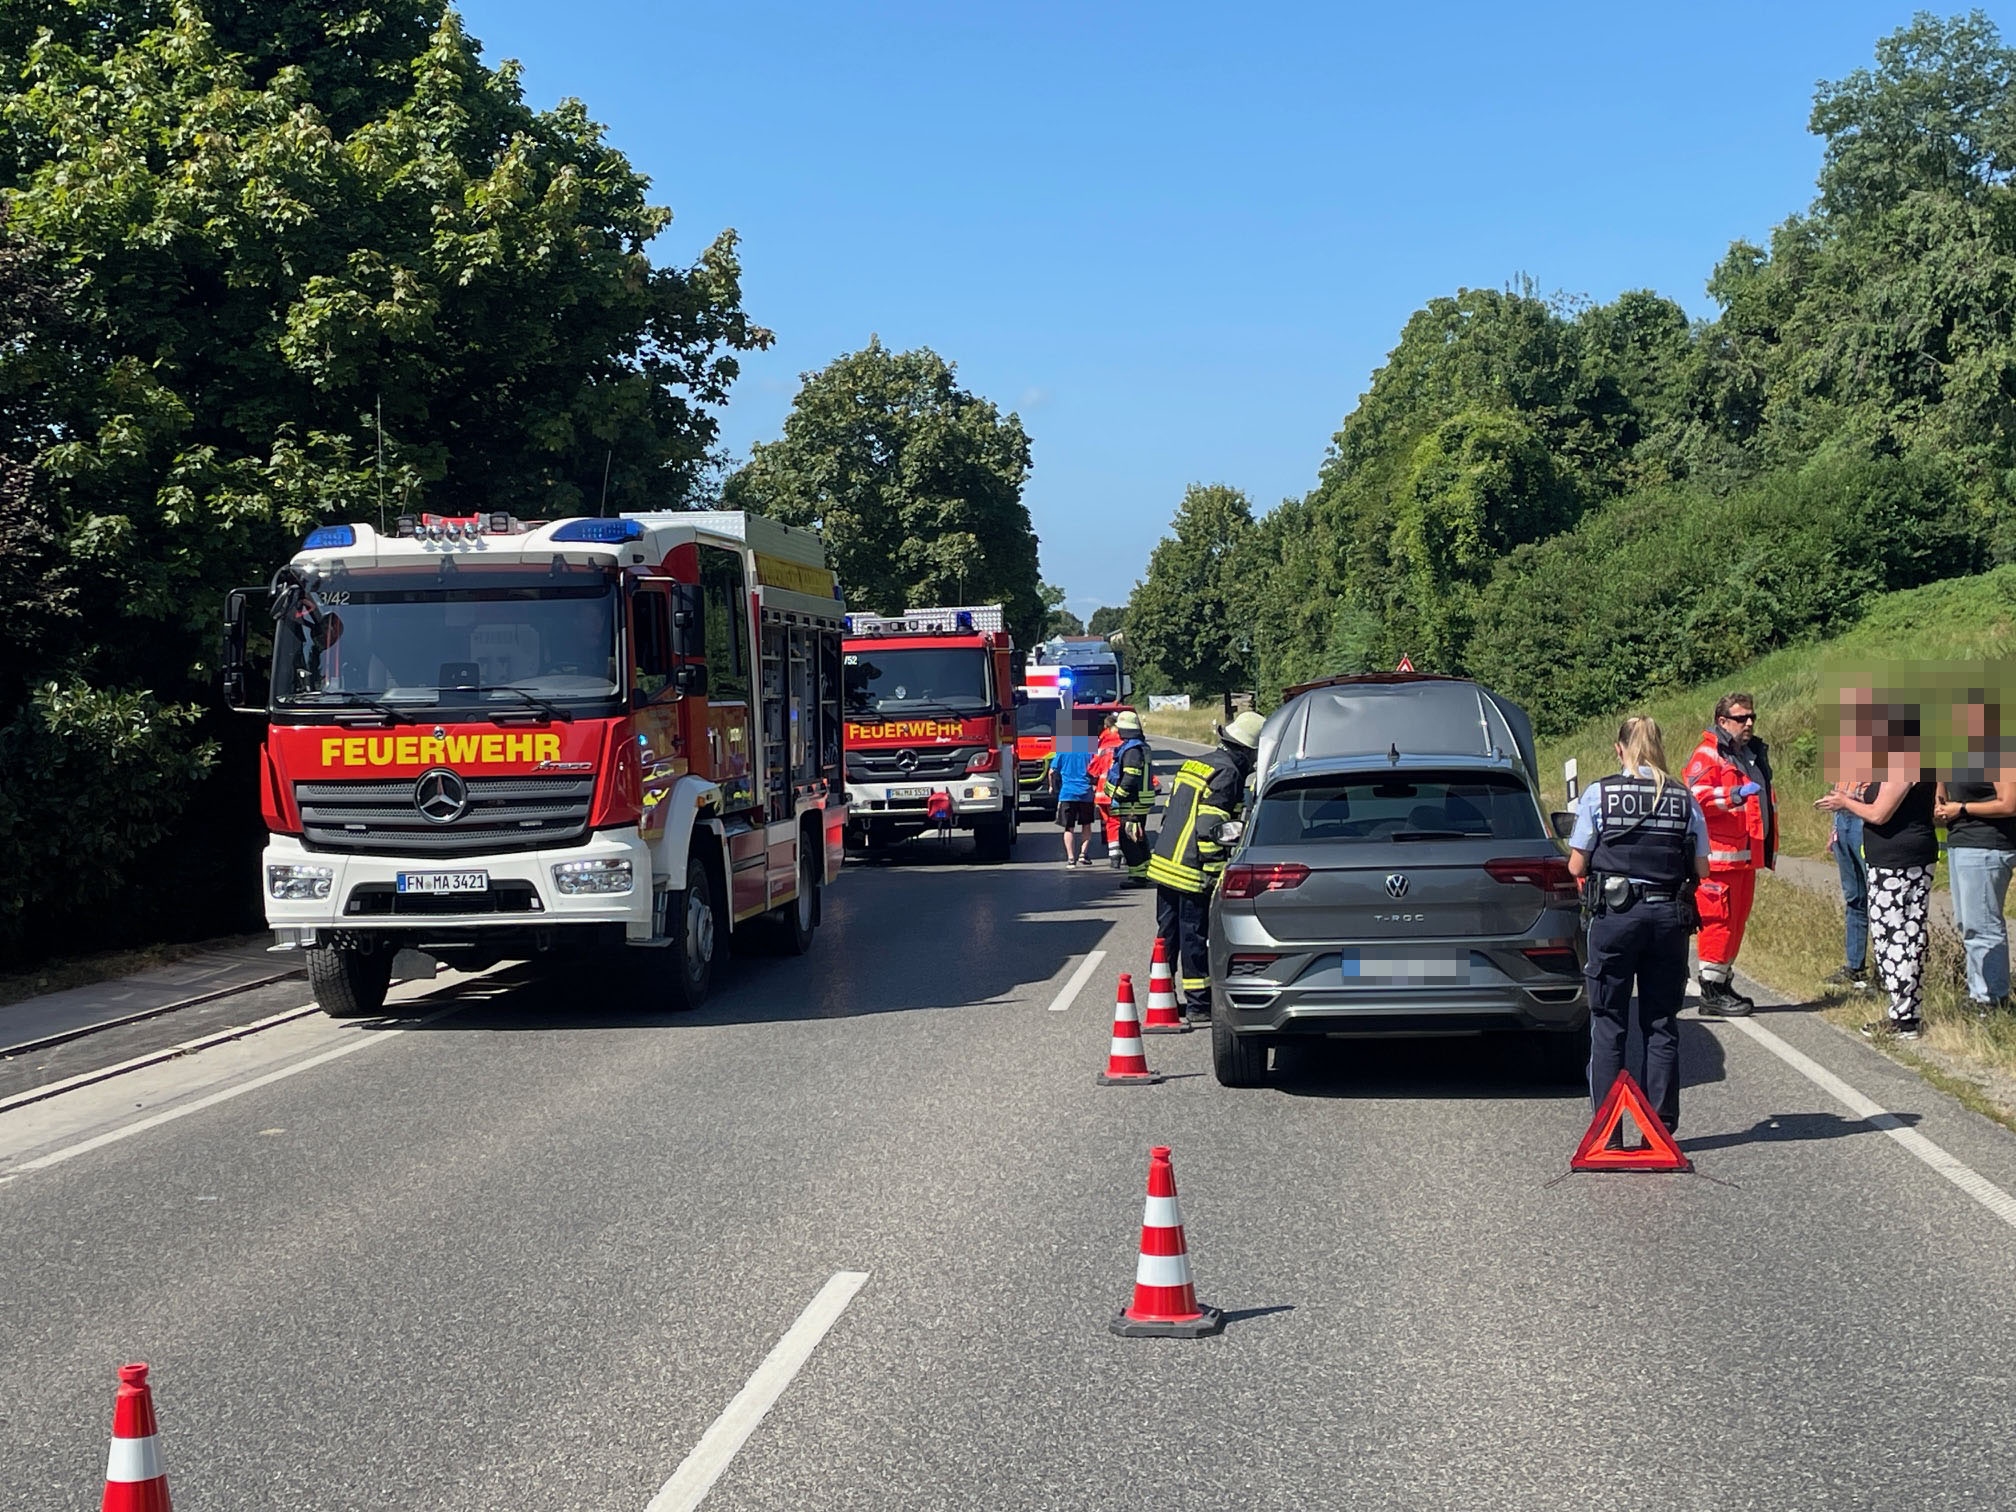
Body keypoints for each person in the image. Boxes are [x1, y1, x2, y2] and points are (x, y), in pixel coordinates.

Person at [1566, 715, 1710, 1135]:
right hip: (1667, 918)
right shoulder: (1684, 799)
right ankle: (1660, 1127)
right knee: (1661, 1022)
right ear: (1660, 747)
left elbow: (1577, 862)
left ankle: (1607, 1132)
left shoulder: (1600, 794)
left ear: (1619, 749)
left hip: (1615, 917)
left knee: (1608, 1021)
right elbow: (1701, 866)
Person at [1818, 704, 1936, 1040]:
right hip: (1893, 857)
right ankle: (1901, 1012)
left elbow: (1880, 813)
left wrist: (1844, 802)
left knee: (1899, 936)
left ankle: (1904, 1016)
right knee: (1892, 935)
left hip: (1902, 860)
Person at [1146, 711, 1265, 1019]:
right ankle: (1199, 1004)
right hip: (1190, 868)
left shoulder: (1198, 763)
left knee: (1167, 933)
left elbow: (1173, 810)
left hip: (1165, 860)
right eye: (1254, 756)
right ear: (1246, 750)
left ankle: (1161, 995)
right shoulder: (1229, 773)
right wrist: (1215, 872)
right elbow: (1210, 826)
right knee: (1194, 934)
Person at [1683, 692, 1778, 1017]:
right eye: (1741, 718)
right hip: (1719, 860)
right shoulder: (1708, 754)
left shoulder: (1747, 753)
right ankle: (1710, 990)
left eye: (1752, 717)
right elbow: (1696, 796)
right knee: (1718, 923)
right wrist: (1734, 795)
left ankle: (1722, 982)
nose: (1749, 723)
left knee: (1736, 923)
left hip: (1745, 857)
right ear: (1722, 721)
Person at [1936, 697, 2016, 1017]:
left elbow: (2009, 803)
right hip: (1960, 841)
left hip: (1988, 845)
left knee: (1982, 924)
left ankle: (1992, 999)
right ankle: (1978, 992)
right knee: (1967, 922)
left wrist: (1963, 808)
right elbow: (1942, 796)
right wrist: (1940, 806)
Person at [1822, 777, 1872, 992]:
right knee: (1854, 898)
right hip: (1843, 819)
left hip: (1865, 819)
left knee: (1881, 900)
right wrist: (1834, 829)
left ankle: (1891, 971)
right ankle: (1855, 967)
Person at [1100, 710, 1155, 885]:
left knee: (1129, 839)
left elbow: (1131, 776)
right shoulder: (1137, 746)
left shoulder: (1132, 750)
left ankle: (1138, 876)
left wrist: (1119, 795)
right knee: (1137, 837)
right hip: (1135, 802)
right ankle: (1143, 871)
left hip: (1132, 803)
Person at [1053, 716, 1100, 868]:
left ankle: (1070, 859)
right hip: (1086, 793)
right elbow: (1096, 770)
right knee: (1086, 824)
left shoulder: (1063, 748)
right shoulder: (1090, 749)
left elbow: (1052, 770)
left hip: (1067, 793)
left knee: (1069, 827)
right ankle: (1083, 854)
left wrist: (1053, 787)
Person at [1089, 712, 1124, 868]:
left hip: (1103, 794)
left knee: (1110, 823)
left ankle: (1114, 856)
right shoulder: (1125, 743)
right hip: (1122, 791)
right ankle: (1125, 853)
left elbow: (1093, 770)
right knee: (1125, 822)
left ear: (1105, 727)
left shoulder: (1101, 745)